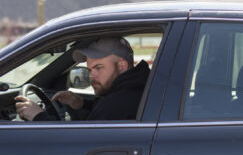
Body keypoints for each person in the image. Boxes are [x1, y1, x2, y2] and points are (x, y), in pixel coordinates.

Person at [15, 36, 150, 121]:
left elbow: (75, 146)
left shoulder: (117, 103)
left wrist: (39, 117)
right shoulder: (137, 88)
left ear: (122, 66)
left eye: (98, 68)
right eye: (89, 69)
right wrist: (82, 104)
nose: (91, 75)